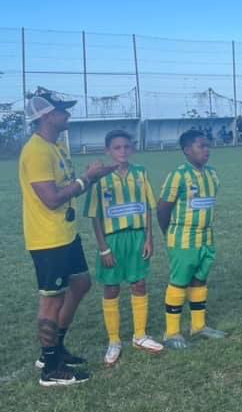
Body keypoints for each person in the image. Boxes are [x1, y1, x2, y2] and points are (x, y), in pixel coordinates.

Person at [20, 89, 117, 386]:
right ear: (48, 116)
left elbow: (69, 187)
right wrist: (86, 178)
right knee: (52, 300)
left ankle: (56, 348)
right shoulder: (36, 151)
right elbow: (52, 199)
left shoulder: (57, 146)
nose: (68, 115)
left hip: (65, 234)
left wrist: (92, 177)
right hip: (48, 239)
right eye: (63, 110)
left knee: (81, 283)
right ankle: (50, 368)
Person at [84, 129, 164, 366]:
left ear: (133, 148)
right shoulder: (99, 177)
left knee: (139, 283)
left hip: (137, 237)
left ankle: (140, 335)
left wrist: (149, 239)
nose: (123, 151)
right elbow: (95, 216)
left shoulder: (140, 173)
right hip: (112, 240)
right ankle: (114, 340)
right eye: (117, 147)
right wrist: (103, 248)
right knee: (111, 288)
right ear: (108, 151)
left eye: (127, 147)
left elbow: (147, 207)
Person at [157, 129, 228, 349]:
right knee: (179, 282)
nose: (207, 150)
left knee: (199, 280)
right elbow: (163, 208)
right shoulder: (178, 175)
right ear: (187, 150)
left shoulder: (212, 174)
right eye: (201, 146)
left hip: (206, 237)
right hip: (183, 238)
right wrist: (170, 233)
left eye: (207, 146)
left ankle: (198, 326)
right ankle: (171, 333)